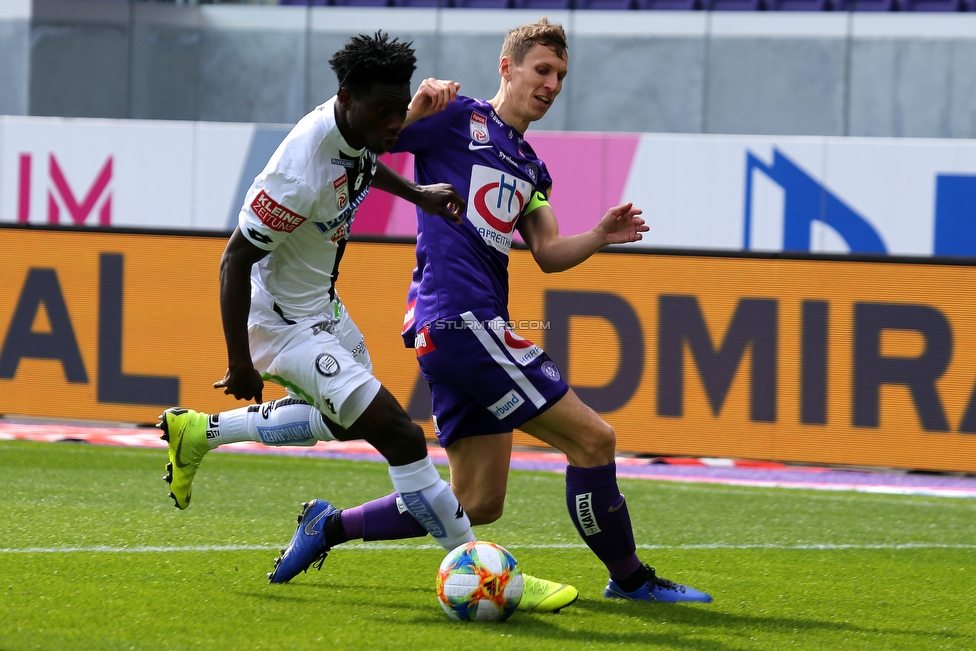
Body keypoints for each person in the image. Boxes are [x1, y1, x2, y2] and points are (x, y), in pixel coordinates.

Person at [272, 18, 713, 604]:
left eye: (560, 75)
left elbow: (550, 254)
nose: (552, 84)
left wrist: (600, 235)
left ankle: (327, 526)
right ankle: (631, 580)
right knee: (594, 441)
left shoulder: (531, 166)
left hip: (457, 331)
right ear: (507, 67)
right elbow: (369, 138)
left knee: (479, 502)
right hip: (462, 320)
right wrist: (422, 107)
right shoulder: (459, 118)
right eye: (541, 70)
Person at [158, 30, 576, 611]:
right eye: (383, 112)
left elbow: (362, 161)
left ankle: (201, 432)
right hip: (279, 324)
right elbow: (234, 260)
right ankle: (488, 573)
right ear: (347, 96)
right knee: (400, 434)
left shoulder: (358, 126)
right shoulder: (296, 172)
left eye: (398, 110)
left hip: (323, 310)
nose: (393, 126)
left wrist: (417, 194)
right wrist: (240, 363)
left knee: (347, 421)